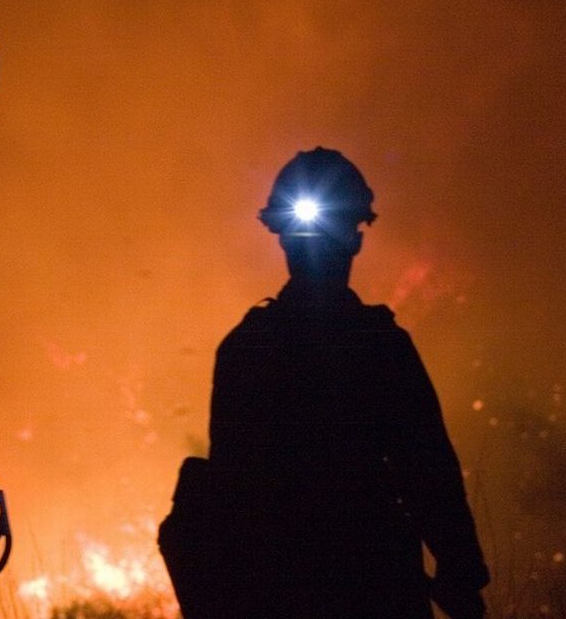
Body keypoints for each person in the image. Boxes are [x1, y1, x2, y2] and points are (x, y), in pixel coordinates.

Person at [198, 148, 488, 618]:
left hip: (293, 583)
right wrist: (460, 570)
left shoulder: (250, 347)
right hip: (368, 576)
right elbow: (427, 468)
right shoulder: (377, 344)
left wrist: (461, 567)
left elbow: (230, 489)